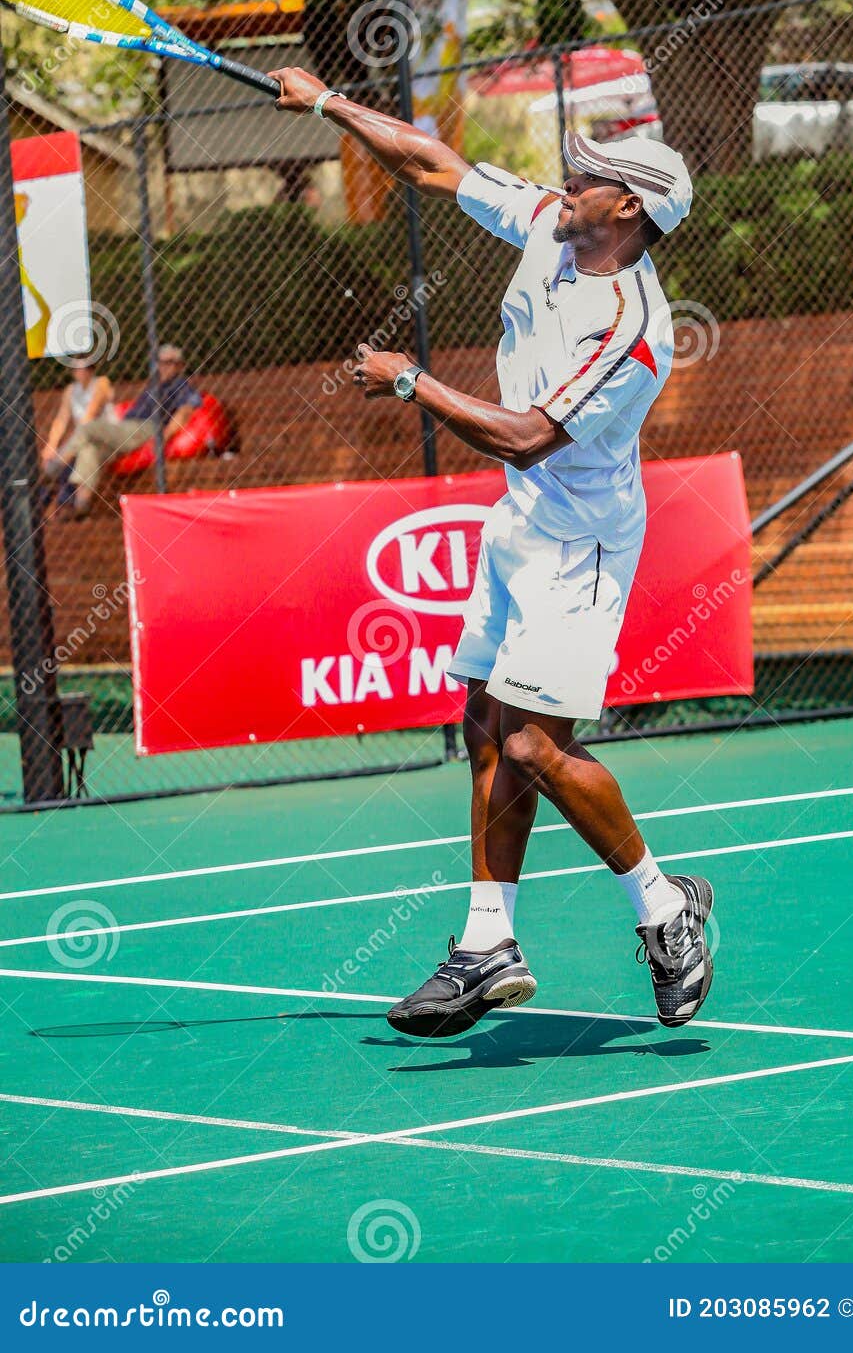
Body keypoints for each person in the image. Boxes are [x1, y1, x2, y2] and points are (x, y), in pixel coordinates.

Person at [271, 64, 715, 1039]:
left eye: (594, 173)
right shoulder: (554, 222)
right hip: (521, 521)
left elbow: (522, 433)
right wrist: (326, 104)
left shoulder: (634, 333)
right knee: (483, 723)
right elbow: (434, 164)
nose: (574, 176)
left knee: (532, 743)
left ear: (629, 211)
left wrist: (407, 382)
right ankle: (486, 946)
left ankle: (663, 907)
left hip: (582, 539)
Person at [66, 344, 201, 518]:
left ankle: (59, 461)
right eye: (161, 362)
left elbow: (185, 411)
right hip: (127, 428)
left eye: (170, 362)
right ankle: (81, 505)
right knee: (89, 450)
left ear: (180, 365)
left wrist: (164, 437)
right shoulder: (154, 384)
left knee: (88, 427)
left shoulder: (180, 385)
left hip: (146, 427)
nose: (165, 366)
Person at [40, 355, 115, 510]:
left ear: (91, 370)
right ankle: (54, 497)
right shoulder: (70, 390)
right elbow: (61, 419)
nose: (79, 372)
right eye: (76, 369)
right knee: (65, 452)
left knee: (76, 451)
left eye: (84, 368)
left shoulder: (101, 383)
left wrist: (68, 446)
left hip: (104, 436)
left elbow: (89, 417)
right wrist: (51, 445)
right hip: (80, 439)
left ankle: (62, 495)